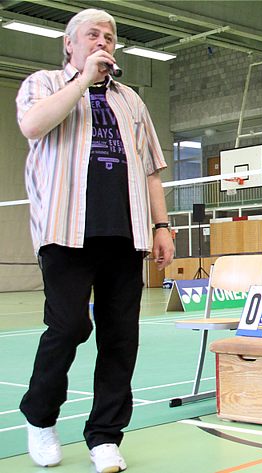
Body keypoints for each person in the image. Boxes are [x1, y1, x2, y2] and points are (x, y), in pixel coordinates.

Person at [16, 8, 174, 472]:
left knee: (121, 338)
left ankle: (104, 435)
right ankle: (40, 417)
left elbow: (150, 171)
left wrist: (161, 226)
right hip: (65, 231)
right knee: (68, 327)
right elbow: (32, 126)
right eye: (92, 34)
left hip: (125, 233)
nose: (103, 40)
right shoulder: (44, 83)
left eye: (110, 35)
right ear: (70, 43)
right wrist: (83, 81)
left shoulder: (131, 100)